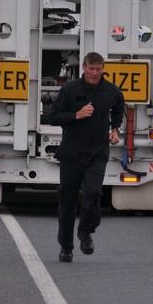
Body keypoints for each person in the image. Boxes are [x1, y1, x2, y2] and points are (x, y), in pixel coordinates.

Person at [44, 52, 124, 263]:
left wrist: (115, 130)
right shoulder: (70, 90)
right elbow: (53, 117)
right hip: (72, 153)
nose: (95, 73)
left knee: (93, 192)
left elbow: (118, 108)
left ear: (103, 69)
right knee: (68, 200)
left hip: (98, 152)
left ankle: (86, 231)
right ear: (84, 68)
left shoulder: (111, 91)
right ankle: (66, 247)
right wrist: (76, 115)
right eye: (91, 69)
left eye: (99, 69)